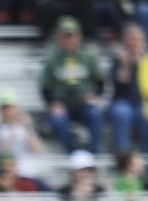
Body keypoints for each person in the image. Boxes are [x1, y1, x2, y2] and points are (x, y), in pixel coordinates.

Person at [40, 16, 104, 154]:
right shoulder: (52, 59)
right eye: (65, 36)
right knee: (57, 120)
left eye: (71, 36)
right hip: (63, 106)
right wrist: (53, 104)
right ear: (59, 38)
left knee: (95, 114)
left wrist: (93, 96)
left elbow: (100, 81)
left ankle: (93, 154)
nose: (68, 40)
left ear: (78, 36)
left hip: (83, 105)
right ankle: (74, 155)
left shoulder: (87, 57)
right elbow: (45, 87)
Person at [108, 21, 148, 155]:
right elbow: (120, 82)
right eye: (130, 39)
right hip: (123, 100)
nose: (133, 42)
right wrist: (126, 64)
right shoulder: (119, 59)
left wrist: (142, 64)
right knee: (121, 114)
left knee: (147, 115)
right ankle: (124, 159)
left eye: (136, 39)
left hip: (144, 101)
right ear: (124, 41)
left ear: (143, 40)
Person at [0, 89, 45, 183]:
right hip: (8, 175)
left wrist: (27, 128)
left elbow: (37, 149)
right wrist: (12, 134)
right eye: (5, 108)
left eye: (10, 107)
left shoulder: (25, 127)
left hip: (27, 173)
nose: (8, 111)